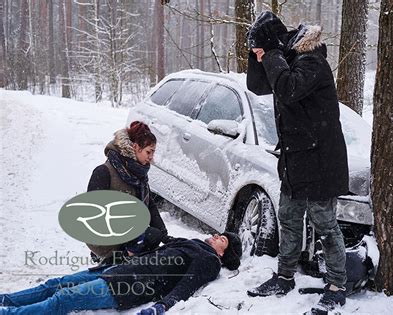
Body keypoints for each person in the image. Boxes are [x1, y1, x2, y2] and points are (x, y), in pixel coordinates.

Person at [246, 11, 349, 313]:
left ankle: (336, 284)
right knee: (289, 219)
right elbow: (260, 86)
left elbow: (288, 90)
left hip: (321, 161)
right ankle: (284, 276)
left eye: (268, 47)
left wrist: (272, 53)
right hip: (295, 158)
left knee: (325, 225)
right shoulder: (290, 60)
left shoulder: (313, 62)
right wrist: (259, 55)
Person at [0, 231, 242, 315]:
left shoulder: (209, 261)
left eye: (222, 239)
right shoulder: (193, 243)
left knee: (65, 298)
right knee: (56, 284)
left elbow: (187, 285)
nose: (216, 236)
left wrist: (163, 306)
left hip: (129, 285)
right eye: (219, 233)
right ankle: (5, 301)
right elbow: (162, 239)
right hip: (117, 269)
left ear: (224, 253)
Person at [86, 121, 168, 264]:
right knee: (148, 236)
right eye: (149, 152)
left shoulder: (138, 173)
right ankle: (112, 258)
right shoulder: (104, 172)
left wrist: (164, 236)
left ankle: (128, 256)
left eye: (153, 153)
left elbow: (149, 205)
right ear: (135, 147)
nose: (151, 158)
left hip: (127, 234)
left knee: (155, 236)